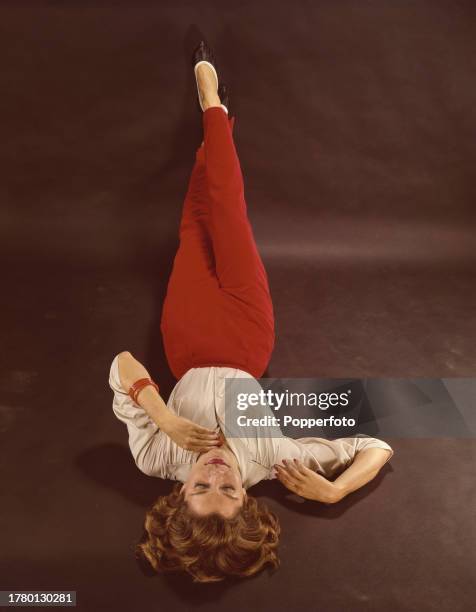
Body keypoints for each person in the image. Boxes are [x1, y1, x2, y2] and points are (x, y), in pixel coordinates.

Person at [108, 40, 393, 583]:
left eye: (200, 488)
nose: (216, 473)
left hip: (186, 341)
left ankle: (215, 130)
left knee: (196, 223)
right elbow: (375, 446)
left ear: (176, 495)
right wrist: (336, 488)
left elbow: (122, 363)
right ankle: (211, 100)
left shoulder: (156, 458)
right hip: (245, 334)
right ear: (248, 497)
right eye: (229, 490)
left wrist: (164, 416)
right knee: (229, 213)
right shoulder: (274, 462)